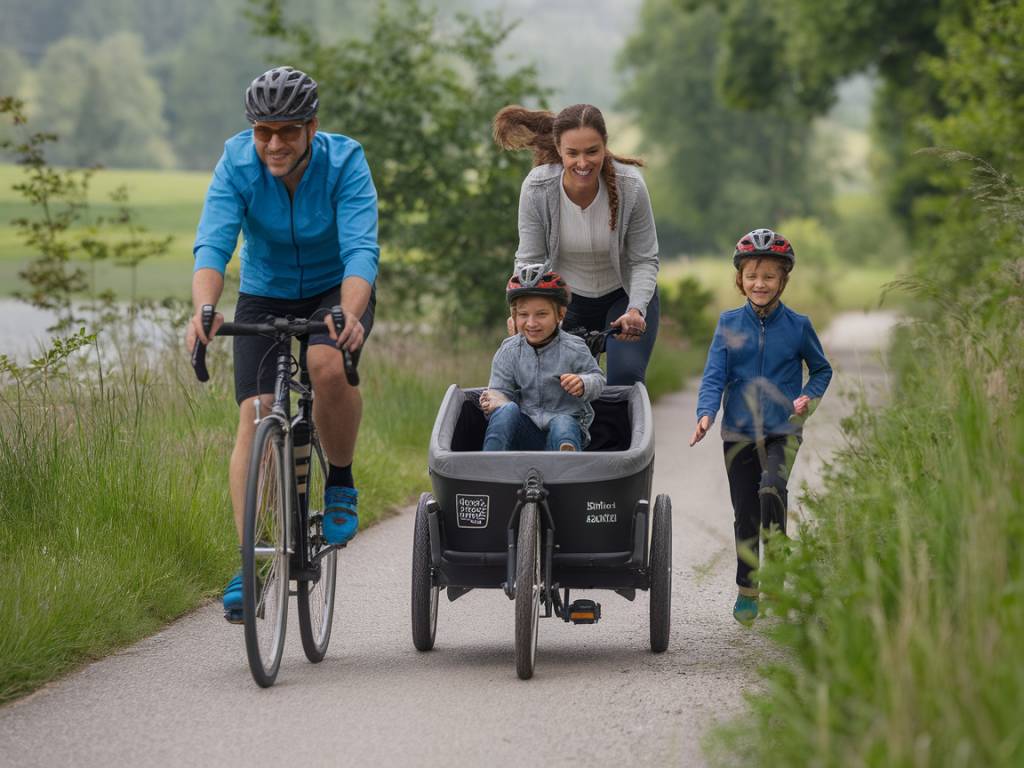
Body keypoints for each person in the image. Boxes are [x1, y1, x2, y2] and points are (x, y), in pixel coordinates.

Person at [185, 66, 379, 623]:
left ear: (311, 127)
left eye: (287, 131)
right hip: (265, 292)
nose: (273, 143)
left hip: (334, 289)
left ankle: (339, 480)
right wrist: (203, 307)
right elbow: (213, 241)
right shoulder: (237, 162)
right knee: (256, 412)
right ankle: (251, 562)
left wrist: (349, 313)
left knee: (325, 366)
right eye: (263, 131)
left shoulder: (345, 161)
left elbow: (362, 248)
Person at [689, 228, 832, 626]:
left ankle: (778, 578)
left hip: (782, 429)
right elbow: (714, 375)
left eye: (770, 276)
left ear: (783, 280)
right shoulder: (728, 323)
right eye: (752, 275)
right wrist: (706, 413)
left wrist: (808, 398)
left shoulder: (799, 325)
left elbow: (821, 370)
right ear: (741, 279)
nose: (760, 283)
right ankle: (748, 589)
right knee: (746, 514)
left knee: (772, 489)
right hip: (737, 432)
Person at [492, 103, 659, 386]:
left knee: (624, 379)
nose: (583, 163)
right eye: (573, 153)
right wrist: (520, 313)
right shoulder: (538, 188)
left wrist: (636, 310)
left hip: (625, 296)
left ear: (604, 146)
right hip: (568, 302)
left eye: (592, 151)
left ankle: (623, 430)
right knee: (554, 384)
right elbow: (529, 261)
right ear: (559, 150)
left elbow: (644, 259)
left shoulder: (630, 185)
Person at [481, 269, 605, 452]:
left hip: (564, 429)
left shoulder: (574, 348)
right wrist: (494, 400)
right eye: (523, 315)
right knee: (506, 410)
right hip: (525, 434)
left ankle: (566, 463)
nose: (531, 323)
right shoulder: (509, 351)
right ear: (514, 316)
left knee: (563, 421)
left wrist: (583, 383)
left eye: (541, 314)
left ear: (560, 315)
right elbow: (499, 391)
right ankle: (489, 464)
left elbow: (598, 379)